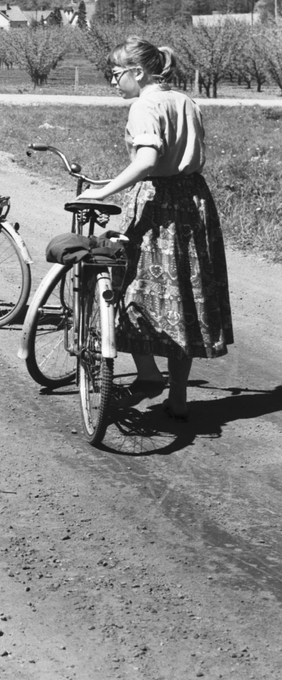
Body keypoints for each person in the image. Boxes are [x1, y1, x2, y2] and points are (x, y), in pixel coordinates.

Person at [77, 36, 233, 420]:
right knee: (184, 296)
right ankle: (178, 397)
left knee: (129, 289)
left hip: (157, 205)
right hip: (193, 201)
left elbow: (147, 160)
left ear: (138, 72)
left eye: (116, 74)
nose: (113, 82)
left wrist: (102, 192)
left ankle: (148, 375)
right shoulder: (185, 100)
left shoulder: (144, 106)